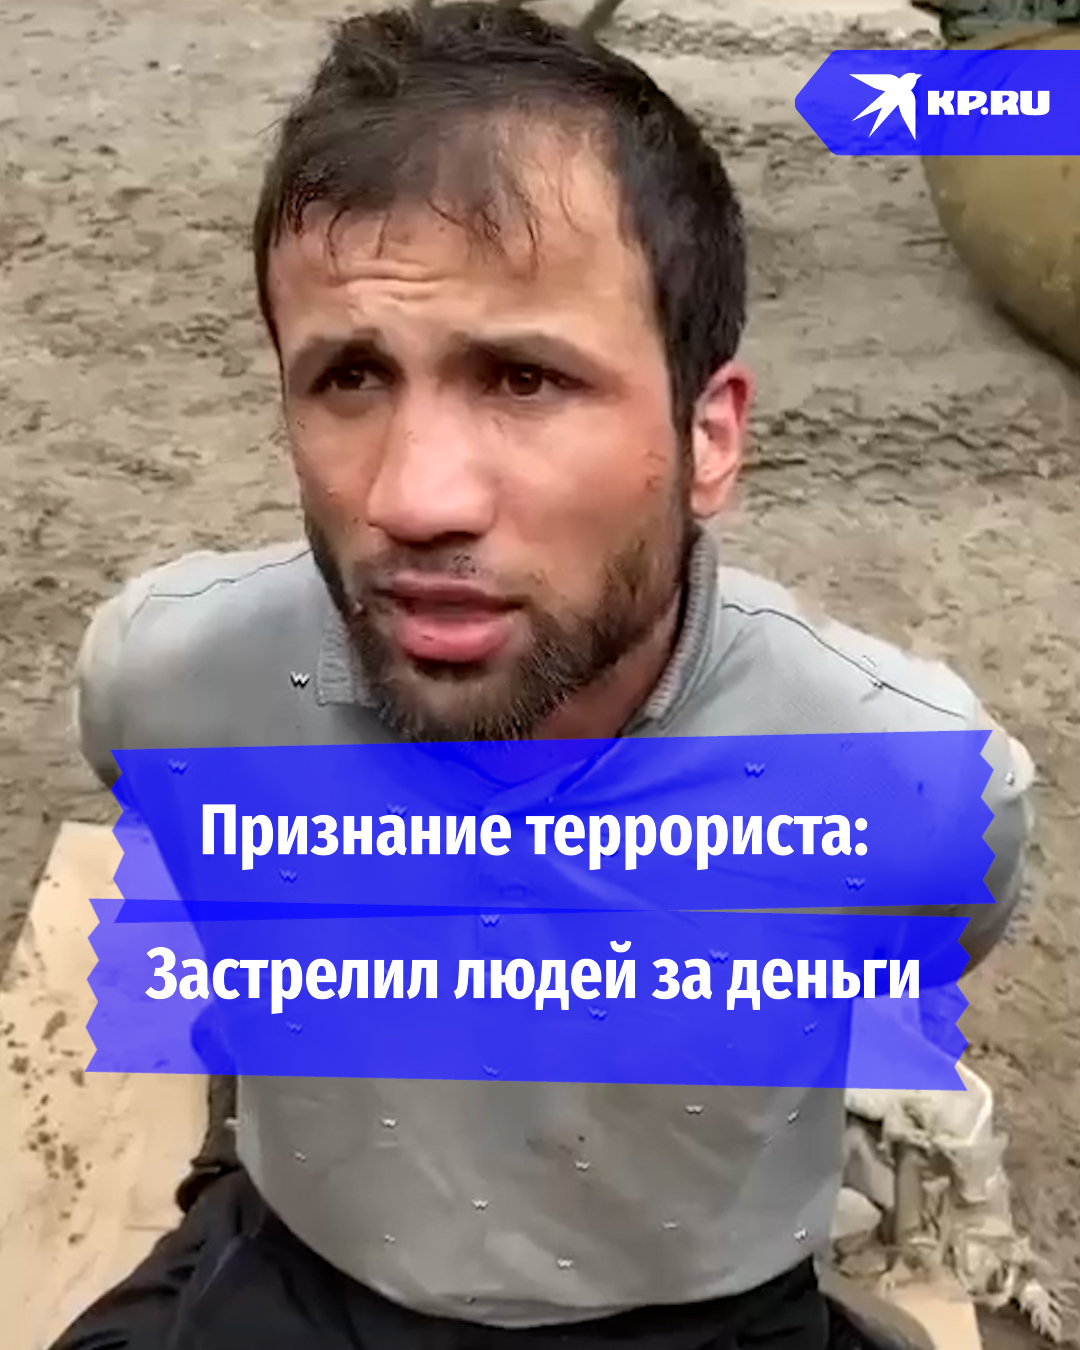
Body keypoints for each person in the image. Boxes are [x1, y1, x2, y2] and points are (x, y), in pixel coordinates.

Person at [54, 5, 1034, 1347]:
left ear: (708, 436)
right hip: (309, 1271)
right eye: (350, 375)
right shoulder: (172, 687)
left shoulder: (908, 783)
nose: (414, 499)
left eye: (523, 377)